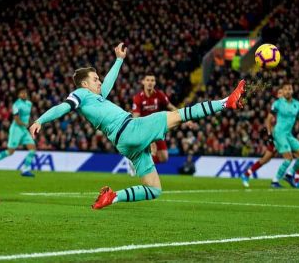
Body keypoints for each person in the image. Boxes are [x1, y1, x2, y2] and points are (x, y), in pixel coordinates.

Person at [29, 43, 246, 209]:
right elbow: (63, 107)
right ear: (84, 83)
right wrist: (40, 120)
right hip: (130, 129)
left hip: (125, 142)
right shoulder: (80, 94)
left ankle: (113, 197)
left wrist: (119, 60)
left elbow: (108, 84)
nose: (99, 81)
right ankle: (227, 101)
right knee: (177, 115)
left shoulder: (94, 98)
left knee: (154, 190)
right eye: (95, 79)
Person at [267, 82, 299, 189]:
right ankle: (275, 181)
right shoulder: (277, 103)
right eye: (286, 89)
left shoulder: (297, 104)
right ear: (282, 91)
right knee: (289, 158)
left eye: (290, 89)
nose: (288, 91)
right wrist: (269, 134)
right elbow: (269, 119)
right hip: (279, 133)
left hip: (288, 135)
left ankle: (289, 175)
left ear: (292, 91)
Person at [0, 89, 36, 177]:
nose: (24, 94)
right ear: (19, 95)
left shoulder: (29, 103)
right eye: (21, 93)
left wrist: (30, 124)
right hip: (16, 129)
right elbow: (16, 119)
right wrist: (27, 125)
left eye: (25, 93)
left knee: (32, 148)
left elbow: (27, 117)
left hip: (24, 129)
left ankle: (25, 169)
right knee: (10, 152)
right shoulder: (16, 105)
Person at [132, 74, 179, 164]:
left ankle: (138, 161)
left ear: (155, 82)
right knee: (153, 150)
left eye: (152, 80)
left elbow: (171, 107)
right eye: (148, 80)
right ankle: (140, 164)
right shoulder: (138, 98)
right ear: (143, 82)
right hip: (144, 129)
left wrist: (183, 115)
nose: (150, 82)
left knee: (164, 158)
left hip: (157, 129)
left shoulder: (159, 94)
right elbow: (135, 118)